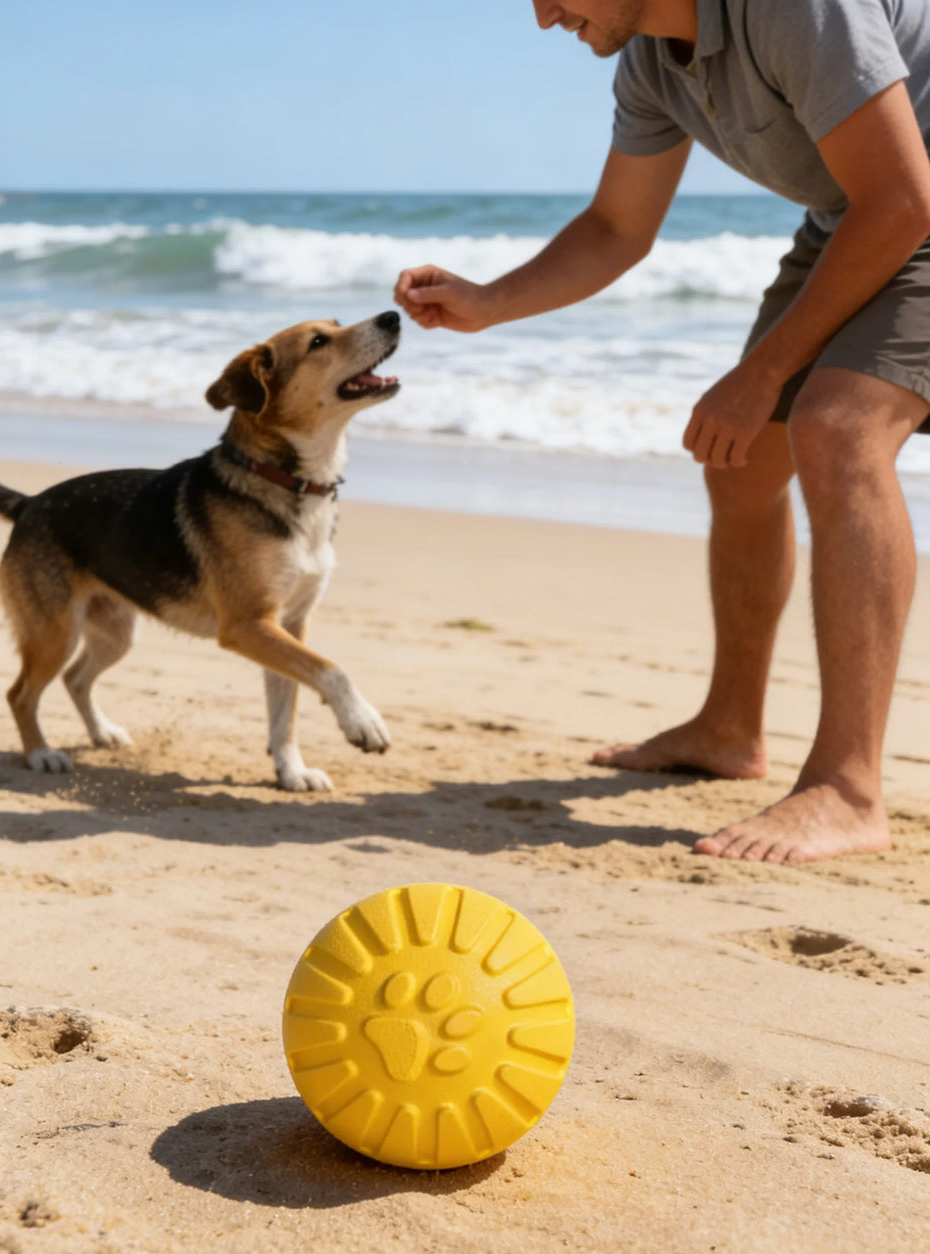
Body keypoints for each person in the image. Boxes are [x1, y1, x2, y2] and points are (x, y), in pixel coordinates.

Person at [394, 0, 930, 865]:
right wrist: (488, 301)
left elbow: (904, 201)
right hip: (858, 217)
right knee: (744, 461)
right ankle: (728, 728)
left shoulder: (794, 7)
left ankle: (849, 787)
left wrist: (759, 376)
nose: (542, 18)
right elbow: (617, 227)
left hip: (906, 206)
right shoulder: (649, 63)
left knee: (837, 428)